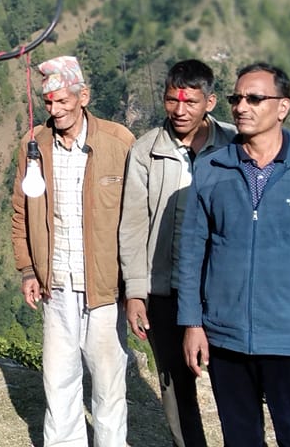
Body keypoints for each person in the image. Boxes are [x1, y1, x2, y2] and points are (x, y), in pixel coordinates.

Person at [176, 62, 290, 447]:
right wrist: (192, 323)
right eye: (236, 98)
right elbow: (192, 253)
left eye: (255, 98)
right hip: (226, 340)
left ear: (282, 107)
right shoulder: (211, 169)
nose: (241, 106)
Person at [10, 55, 136, 447]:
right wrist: (28, 269)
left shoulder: (119, 143)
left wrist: (134, 286)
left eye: (63, 101)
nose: (56, 110)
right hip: (56, 284)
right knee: (59, 379)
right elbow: (20, 211)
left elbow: (137, 220)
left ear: (84, 96)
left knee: (108, 384)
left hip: (103, 287)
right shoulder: (34, 145)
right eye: (49, 103)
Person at [118, 59, 236, 447]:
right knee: (174, 386)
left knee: (232, 387)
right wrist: (135, 291)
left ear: (211, 101)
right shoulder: (147, 151)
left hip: (222, 292)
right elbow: (133, 225)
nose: (180, 110)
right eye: (172, 100)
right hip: (165, 290)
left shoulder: (234, 147)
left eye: (190, 102)